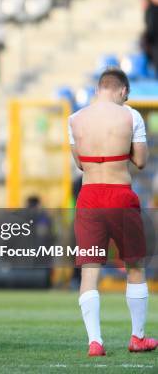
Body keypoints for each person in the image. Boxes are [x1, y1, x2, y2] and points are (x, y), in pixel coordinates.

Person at [68, 67, 156, 356]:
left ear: (98, 89)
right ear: (122, 91)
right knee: (135, 266)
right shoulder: (131, 115)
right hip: (120, 194)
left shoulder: (75, 119)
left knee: (89, 271)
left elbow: (80, 164)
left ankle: (95, 342)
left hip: (90, 196)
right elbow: (141, 161)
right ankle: (137, 337)